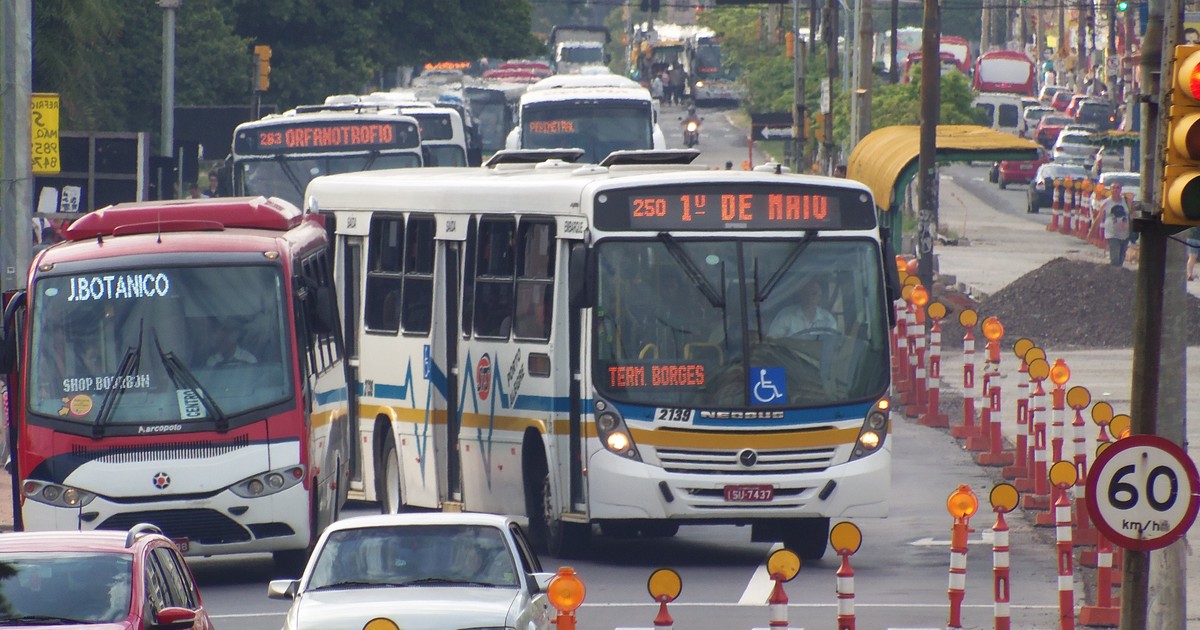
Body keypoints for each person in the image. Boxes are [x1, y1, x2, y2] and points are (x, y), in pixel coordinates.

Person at [768, 279, 838, 338]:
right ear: (800, 295)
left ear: (820, 297)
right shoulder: (785, 315)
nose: (810, 298)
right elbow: (772, 340)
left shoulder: (828, 319)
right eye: (806, 293)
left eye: (814, 294)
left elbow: (832, 344)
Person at [1100, 184, 1131, 267]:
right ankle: (1113, 275)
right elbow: (1099, 218)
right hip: (1112, 234)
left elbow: (1132, 214)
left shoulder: (1126, 201)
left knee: (1121, 259)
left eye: (1118, 188)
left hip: (1125, 235)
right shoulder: (1106, 203)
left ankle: (1117, 276)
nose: (1115, 190)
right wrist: (1093, 232)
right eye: (1113, 188)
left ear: (1120, 190)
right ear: (1110, 190)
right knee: (1115, 258)